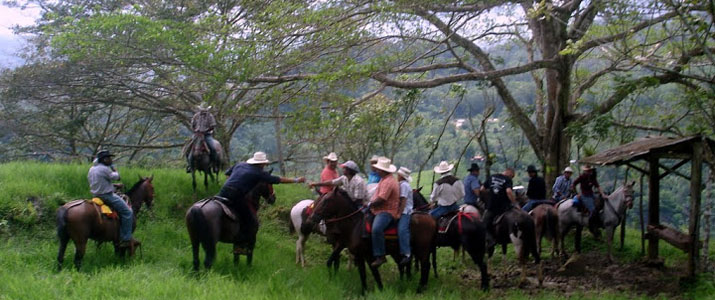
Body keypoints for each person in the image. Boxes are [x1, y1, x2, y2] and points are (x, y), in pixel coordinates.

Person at [219, 151, 306, 254]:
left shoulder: (240, 164)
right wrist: (296, 180)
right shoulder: (259, 173)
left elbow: (227, 174)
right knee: (250, 220)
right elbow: (278, 180)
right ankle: (239, 246)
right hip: (237, 196)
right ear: (261, 164)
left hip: (223, 191)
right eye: (264, 164)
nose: (265, 165)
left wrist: (233, 182)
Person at [87, 150, 137, 249]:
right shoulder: (105, 169)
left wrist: (112, 185)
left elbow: (99, 182)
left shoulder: (92, 169)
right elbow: (117, 177)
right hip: (107, 196)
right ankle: (126, 238)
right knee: (127, 212)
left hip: (95, 196)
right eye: (109, 158)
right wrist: (115, 170)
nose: (111, 160)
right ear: (104, 159)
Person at [368, 157, 400, 267]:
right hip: (379, 209)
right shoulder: (384, 179)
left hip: (387, 211)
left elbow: (382, 199)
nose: (376, 170)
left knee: (376, 229)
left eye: (378, 169)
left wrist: (370, 204)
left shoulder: (388, 181)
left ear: (383, 170)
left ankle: (380, 255)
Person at [483, 168, 516, 247]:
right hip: (504, 207)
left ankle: (490, 239)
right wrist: (514, 202)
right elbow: (508, 191)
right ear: (510, 174)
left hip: (492, 207)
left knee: (484, 224)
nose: (511, 178)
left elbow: (482, 189)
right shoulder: (507, 179)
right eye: (512, 177)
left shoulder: (492, 176)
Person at [186, 102, 218, 173]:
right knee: (188, 148)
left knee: (213, 148)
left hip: (207, 135)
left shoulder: (210, 116)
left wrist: (206, 131)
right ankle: (189, 165)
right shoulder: (196, 116)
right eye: (202, 110)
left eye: (205, 111)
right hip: (197, 135)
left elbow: (213, 125)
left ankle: (214, 165)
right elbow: (192, 125)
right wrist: (195, 131)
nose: (203, 112)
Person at [396, 167, 413, 266]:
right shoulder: (401, 185)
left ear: (401, 176)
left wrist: (399, 213)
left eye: (398, 174)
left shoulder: (404, 186)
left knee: (402, 230)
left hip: (405, 211)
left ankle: (407, 253)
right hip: (401, 210)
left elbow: (403, 201)